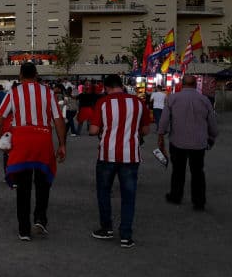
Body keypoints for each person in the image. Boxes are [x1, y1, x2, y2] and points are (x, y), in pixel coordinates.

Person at [0, 63, 66, 241]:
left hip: (22, 141)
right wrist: (62, 144)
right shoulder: (48, 93)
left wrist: (0, 140)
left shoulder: (14, 93)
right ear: (36, 74)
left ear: (20, 75)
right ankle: (40, 219)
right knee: (43, 182)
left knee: (23, 186)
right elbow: (58, 119)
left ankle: (24, 230)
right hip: (42, 139)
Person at [90, 74, 151, 248]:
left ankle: (106, 228)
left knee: (103, 192)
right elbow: (146, 130)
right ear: (121, 86)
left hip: (107, 155)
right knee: (128, 196)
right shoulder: (138, 103)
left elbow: (94, 130)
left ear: (106, 87)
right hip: (131, 156)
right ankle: (126, 235)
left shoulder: (103, 103)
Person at [157, 74, 218, 212]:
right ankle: (199, 202)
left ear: (182, 84)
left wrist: (161, 134)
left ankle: (176, 196)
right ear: (196, 84)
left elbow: (164, 120)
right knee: (197, 172)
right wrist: (213, 136)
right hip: (198, 143)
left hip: (177, 142)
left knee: (178, 171)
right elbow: (212, 123)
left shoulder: (172, 98)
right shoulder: (204, 100)